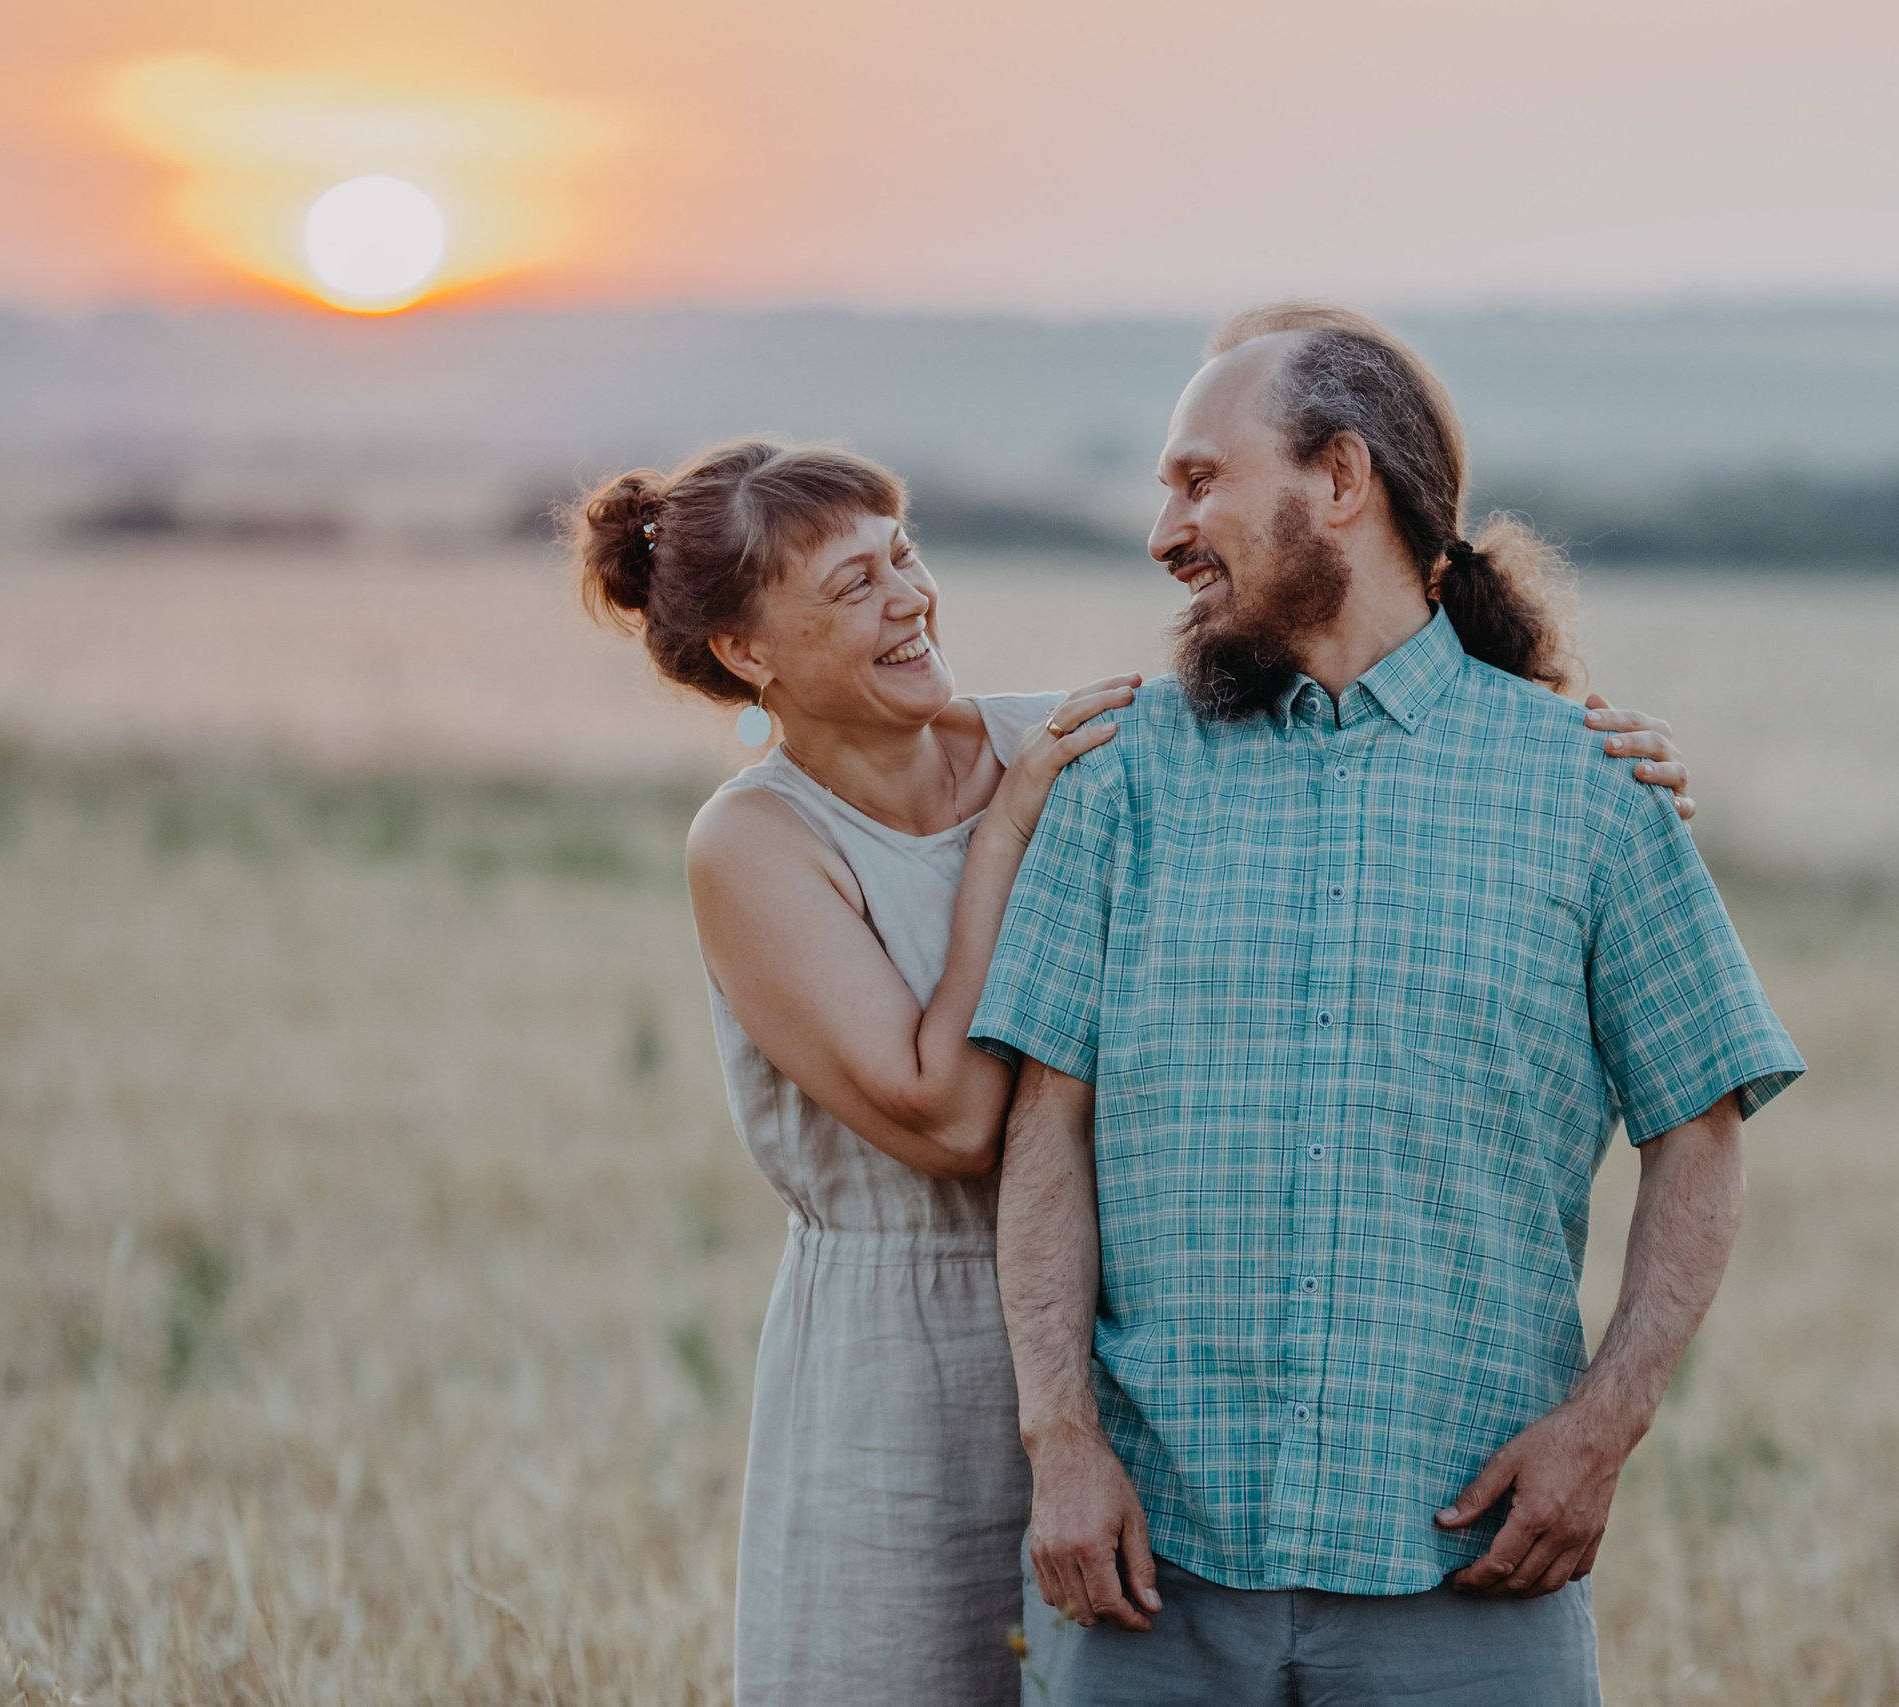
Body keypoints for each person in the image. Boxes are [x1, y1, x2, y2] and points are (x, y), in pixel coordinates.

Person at [567, 436, 1698, 1705]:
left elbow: (1344, 736)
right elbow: (947, 1117)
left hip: (1129, 1366)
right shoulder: (756, 840)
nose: (909, 598)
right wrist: (1008, 830)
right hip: (905, 1362)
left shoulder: (1070, 741)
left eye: (905, 555)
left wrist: (1589, 755)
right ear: (747, 653)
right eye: (851, 586)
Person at [976, 304, 1807, 1707]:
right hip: (1151, 1571)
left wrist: (1605, 1425)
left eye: (1197, 479)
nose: (1163, 530)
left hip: (1468, 1577)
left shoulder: (1589, 791)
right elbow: (1045, 1126)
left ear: (1343, 480)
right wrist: (1060, 1436)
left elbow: (1703, 1125)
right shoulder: (1119, 776)